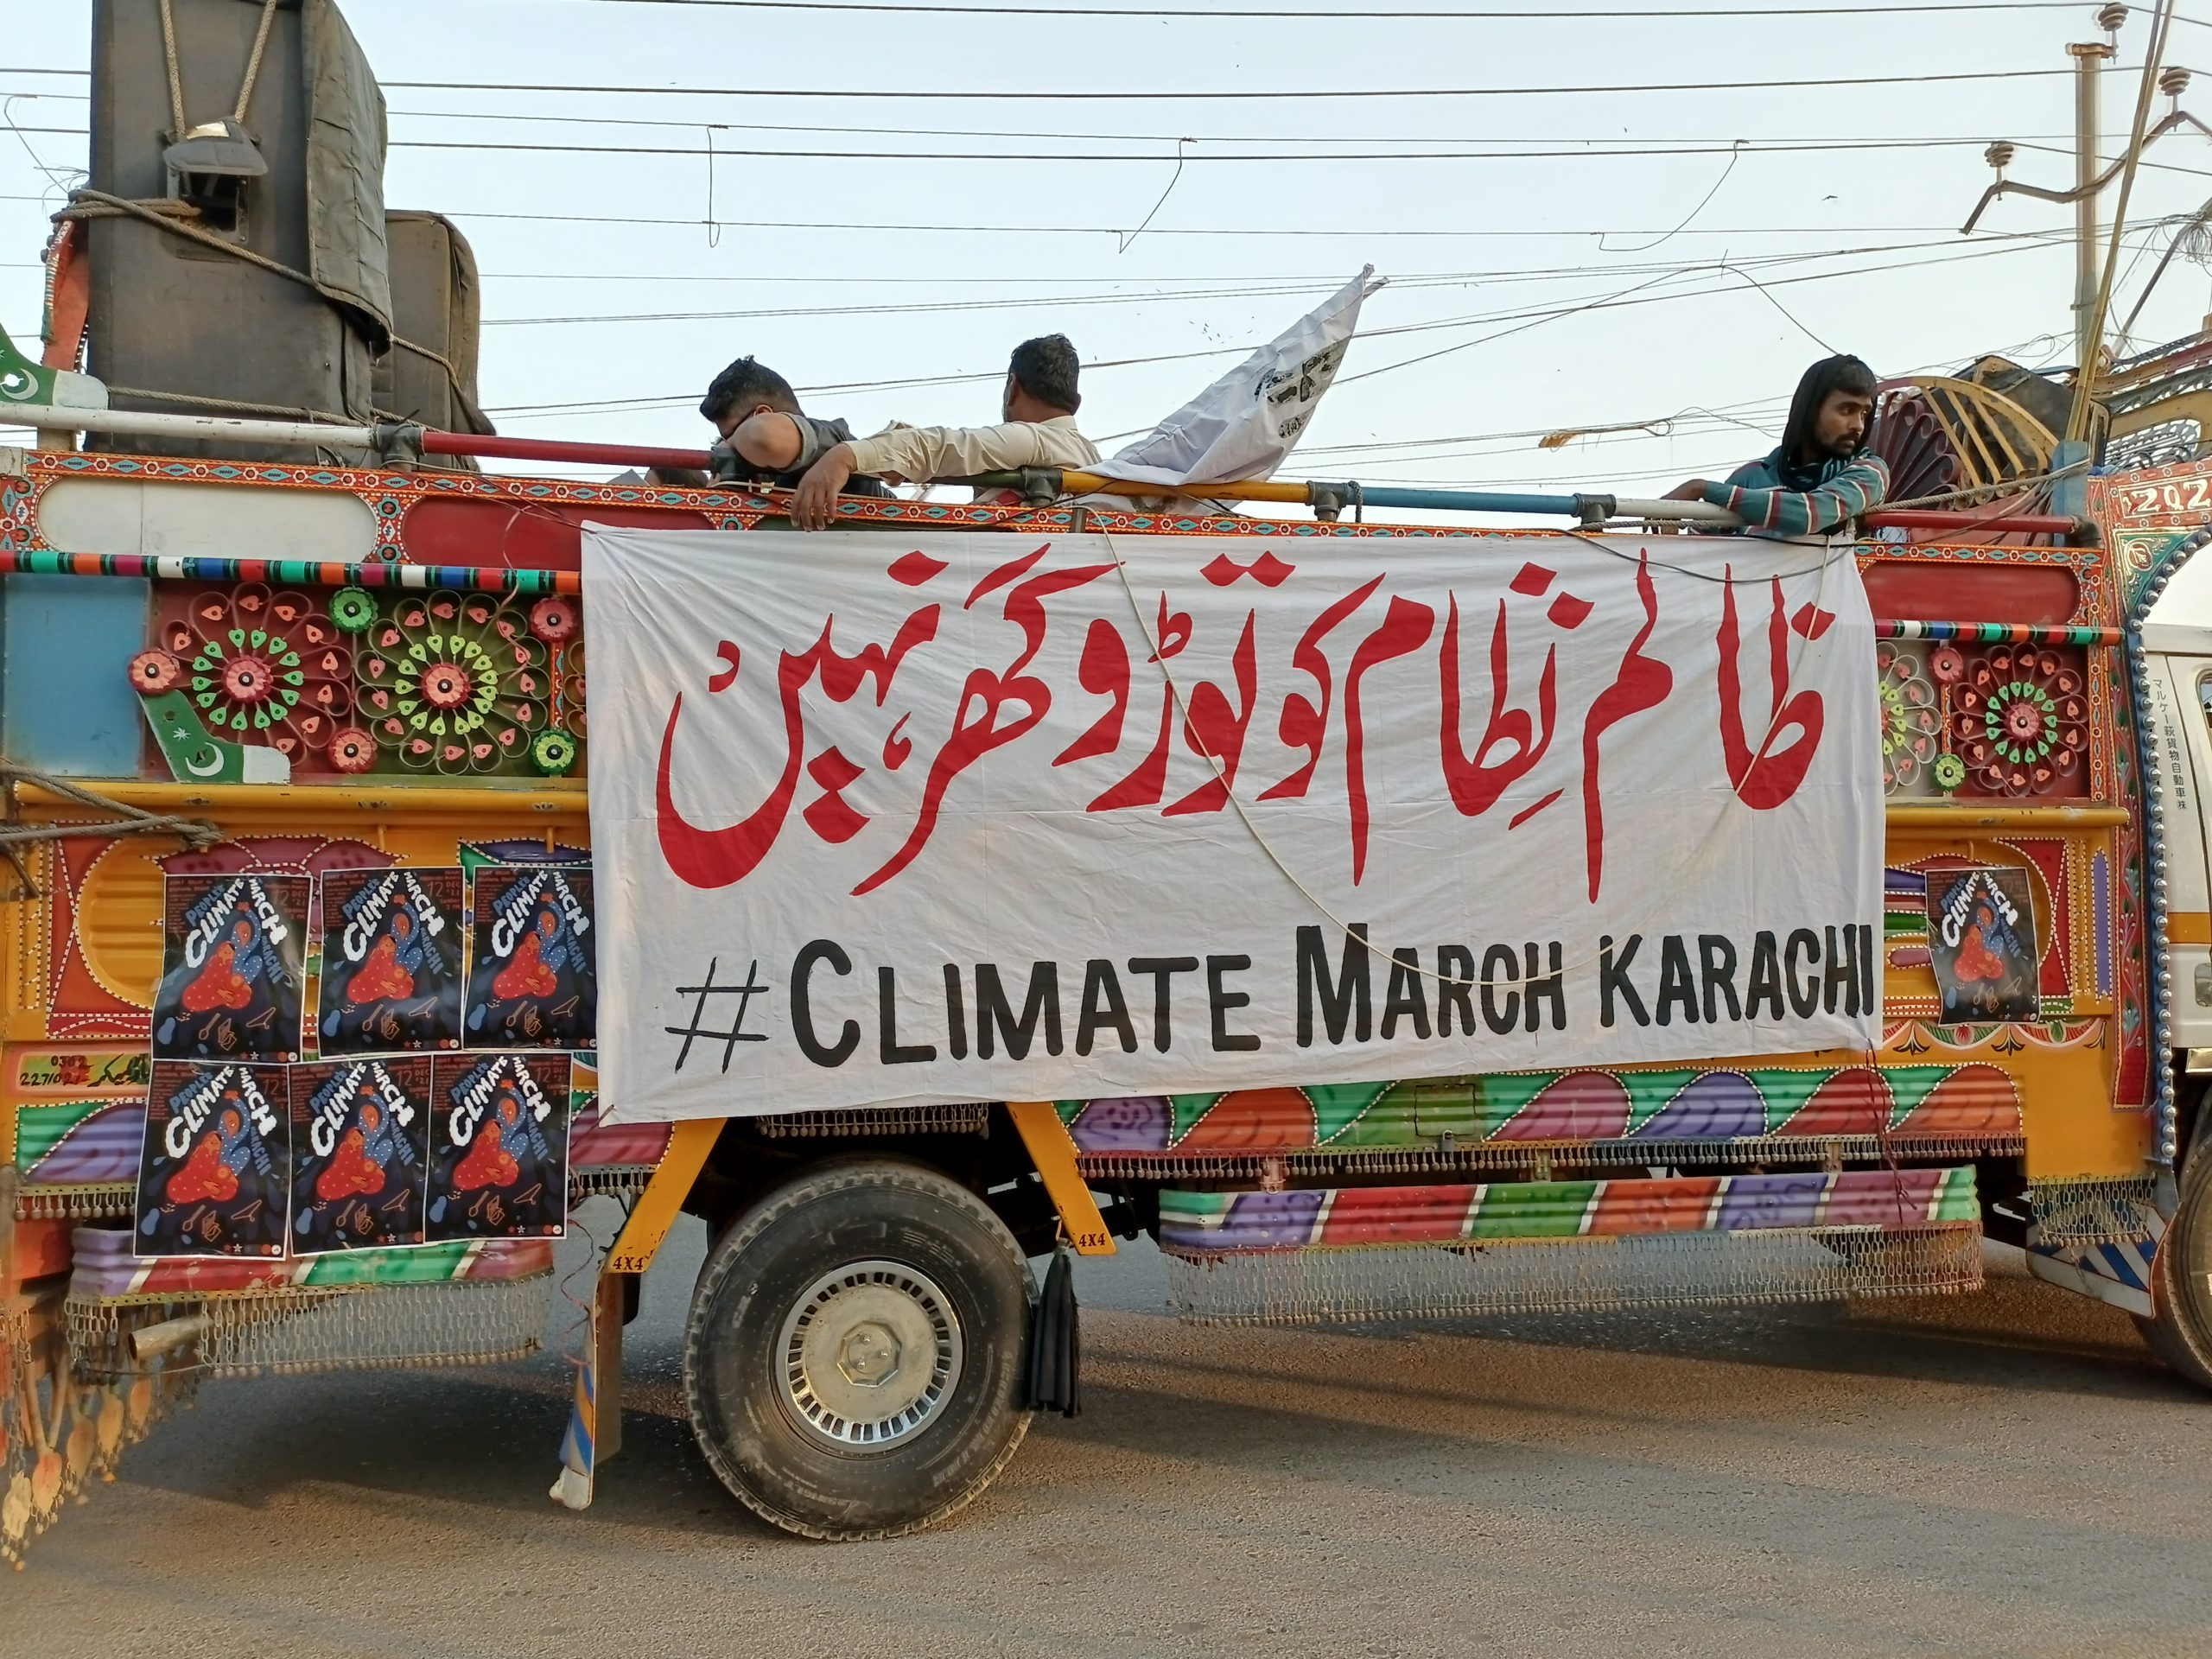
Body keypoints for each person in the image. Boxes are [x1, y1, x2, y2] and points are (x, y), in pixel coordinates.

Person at [788, 334, 1099, 531]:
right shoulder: (1091, 460)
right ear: (1076, 403)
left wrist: (846, 456)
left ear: (1012, 387)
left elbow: (946, 448)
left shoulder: (1034, 440)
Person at [1667, 354, 1889, 537]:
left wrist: (1701, 488)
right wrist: (1667, 532)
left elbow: (1807, 515)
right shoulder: (1750, 478)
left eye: (1864, 413)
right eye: (1847, 410)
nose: (1858, 425)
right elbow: (1699, 551)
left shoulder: (1869, 472)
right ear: (1810, 410)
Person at [698, 355, 890, 498]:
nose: (730, 449)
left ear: (762, 415)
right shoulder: (776, 477)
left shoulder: (832, 440)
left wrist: (727, 448)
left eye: (731, 436)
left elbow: (764, 435)